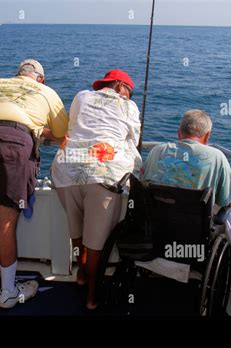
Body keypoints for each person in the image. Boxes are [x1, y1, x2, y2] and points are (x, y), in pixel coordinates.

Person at [0, 59, 68, 308]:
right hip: (10, 143)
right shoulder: (46, 91)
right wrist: (40, 130)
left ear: (17, 74)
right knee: (4, 221)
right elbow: (62, 133)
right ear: (40, 79)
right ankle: (7, 292)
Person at [51, 69, 142, 310]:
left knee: (77, 230)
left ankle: (81, 274)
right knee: (95, 246)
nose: (129, 96)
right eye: (129, 91)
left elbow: (74, 127)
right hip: (104, 173)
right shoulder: (129, 107)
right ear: (120, 85)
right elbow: (133, 141)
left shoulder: (82, 96)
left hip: (67, 169)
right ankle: (91, 297)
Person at [143, 109, 231, 274]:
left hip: (155, 233)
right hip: (191, 243)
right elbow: (227, 200)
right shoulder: (217, 157)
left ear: (179, 132)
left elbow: (144, 182)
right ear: (207, 135)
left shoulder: (157, 151)